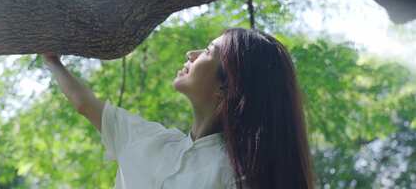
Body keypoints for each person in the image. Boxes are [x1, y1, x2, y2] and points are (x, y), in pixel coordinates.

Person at [43, 27, 315, 189]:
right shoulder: (149, 142)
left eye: (207, 52)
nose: (191, 54)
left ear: (225, 87)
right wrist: (52, 61)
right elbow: (84, 104)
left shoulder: (234, 177)